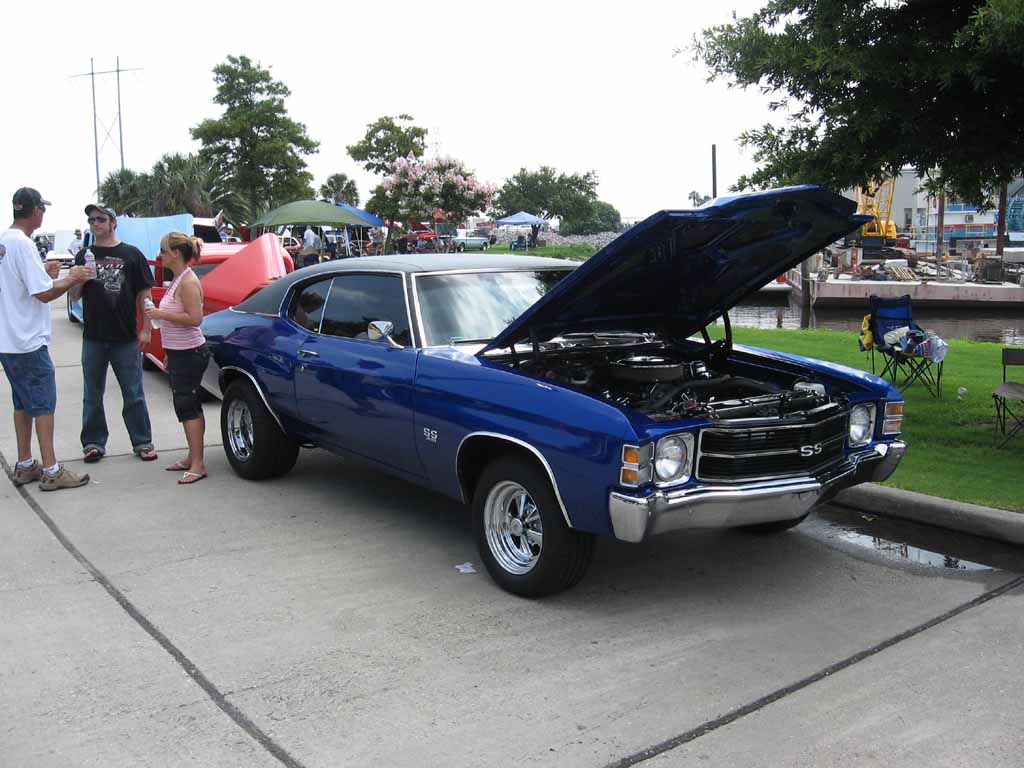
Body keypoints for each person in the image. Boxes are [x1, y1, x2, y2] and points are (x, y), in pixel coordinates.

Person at [0, 188, 91, 490]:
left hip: (8, 340)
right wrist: (73, 277)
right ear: (36, 210)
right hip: (27, 341)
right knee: (42, 405)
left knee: (22, 404)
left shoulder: (4, 241)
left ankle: (25, 464)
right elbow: (43, 294)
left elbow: (20, 285)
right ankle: (51, 469)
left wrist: (44, 272)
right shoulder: (23, 244)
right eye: (43, 209)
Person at [68, 204, 158, 463]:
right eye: (91, 220)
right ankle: (93, 443)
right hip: (93, 338)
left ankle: (142, 442)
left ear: (113, 223)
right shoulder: (84, 255)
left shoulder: (132, 254)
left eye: (100, 219)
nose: (95, 223)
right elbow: (74, 295)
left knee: (134, 393)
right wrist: (79, 280)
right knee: (92, 395)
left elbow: (145, 295)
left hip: (125, 337)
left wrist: (146, 329)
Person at [143, 232, 208, 485]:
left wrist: (161, 314)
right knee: (185, 404)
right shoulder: (178, 279)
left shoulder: (188, 282)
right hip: (181, 352)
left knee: (187, 405)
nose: (160, 255)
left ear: (176, 254)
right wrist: (169, 352)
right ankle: (193, 456)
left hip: (190, 352)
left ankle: (198, 463)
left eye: (163, 250)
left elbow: (195, 319)